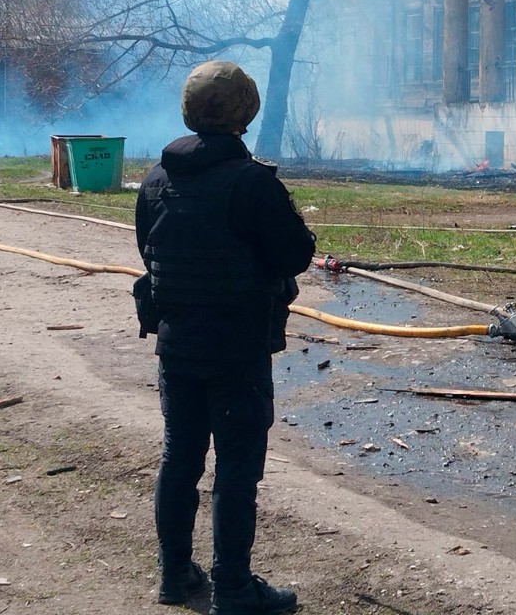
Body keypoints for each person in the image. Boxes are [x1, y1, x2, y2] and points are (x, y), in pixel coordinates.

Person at [135, 60, 316, 615]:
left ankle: (174, 576)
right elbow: (295, 254)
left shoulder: (157, 180)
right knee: (237, 469)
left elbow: (149, 252)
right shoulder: (252, 181)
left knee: (180, 456)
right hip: (237, 349)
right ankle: (234, 589)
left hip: (177, 343)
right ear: (245, 110)